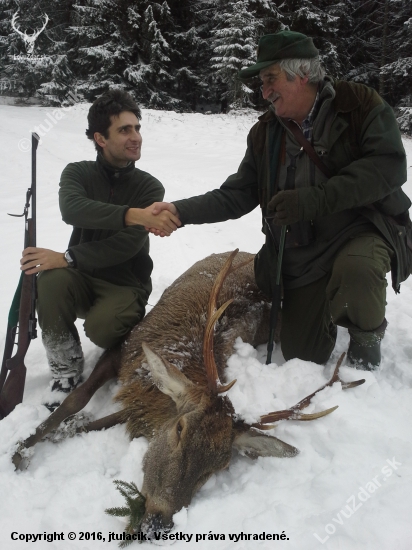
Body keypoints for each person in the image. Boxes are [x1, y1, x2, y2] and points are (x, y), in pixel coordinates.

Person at [147, 30, 411, 370]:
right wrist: (180, 211)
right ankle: (329, 301)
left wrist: (312, 201)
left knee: (357, 268)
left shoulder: (359, 105)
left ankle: (365, 343)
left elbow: (387, 168)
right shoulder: (265, 133)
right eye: (261, 82)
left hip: (359, 233)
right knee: (302, 354)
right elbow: (238, 193)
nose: (264, 91)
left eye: (270, 79)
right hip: (303, 254)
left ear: (301, 74)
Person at [20, 89, 180, 409]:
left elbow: (125, 245)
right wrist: (130, 214)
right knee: (49, 279)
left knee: (103, 329)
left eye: (137, 128)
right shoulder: (77, 173)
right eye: (125, 130)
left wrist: (68, 256)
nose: (136, 137)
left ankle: (118, 332)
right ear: (100, 138)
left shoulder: (149, 187)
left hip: (125, 283)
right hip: (80, 276)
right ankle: (65, 370)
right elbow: (72, 209)